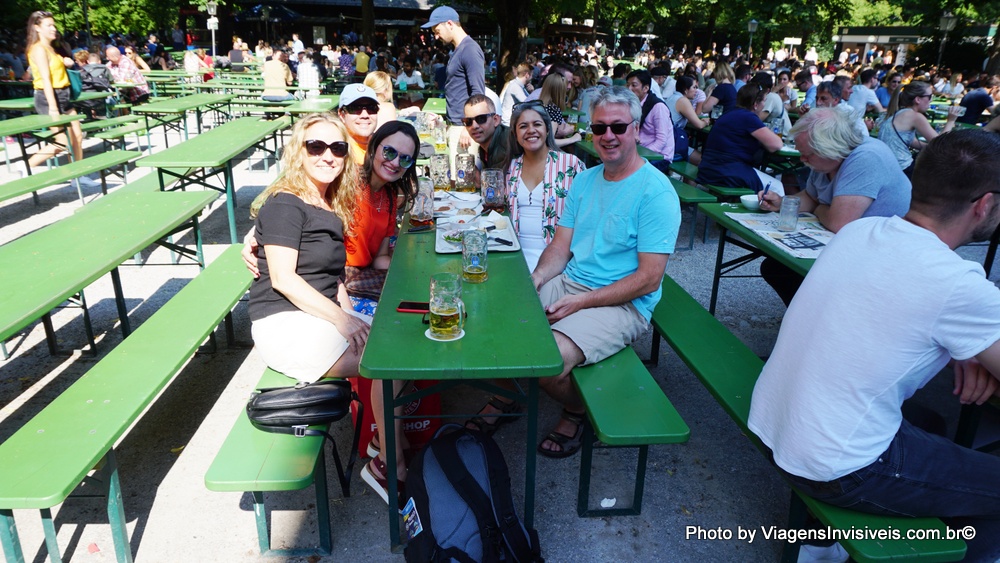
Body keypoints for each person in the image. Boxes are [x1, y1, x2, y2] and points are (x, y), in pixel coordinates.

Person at [749, 129, 1000, 563]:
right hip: (835, 467)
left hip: (775, 424)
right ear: (984, 204)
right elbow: (946, 303)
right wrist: (975, 346)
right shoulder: (958, 285)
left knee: (930, 425)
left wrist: (970, 346)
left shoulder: (860, 231)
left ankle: (819, 549)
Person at [467, 87, 680, 458]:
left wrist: (581, 302)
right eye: (599, 128)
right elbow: (560, 247)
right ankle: (505, 398)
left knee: (547, 361)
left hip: (624, 303)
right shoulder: (585, 180)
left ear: (636, 128)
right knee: (499, 323)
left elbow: (649, 278)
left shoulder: (656, 192)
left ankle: (577, 411)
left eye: (617, 127)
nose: (608, 136)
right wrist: (535, 279)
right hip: (571, 283)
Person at [759, 108, 910, 305]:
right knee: (776, 266)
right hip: (856, 242)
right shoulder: (826, 161)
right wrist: (782, 203)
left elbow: (839, 222)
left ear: (830, 148)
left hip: (883, 253)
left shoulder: (867, 157)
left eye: (808, 155)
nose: (803, 160)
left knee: (782, 269)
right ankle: (813, 316)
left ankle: (820, 318)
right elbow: (811, 197)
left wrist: (818, 208)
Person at [503, 101, 586, 270]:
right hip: (513, 254)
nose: (531, 130)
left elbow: (589, 213)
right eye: (523, 126)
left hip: (559, 258)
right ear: (515, 134)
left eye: (537, 124)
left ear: (548, 129)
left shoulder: (570, 164)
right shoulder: (509, 168)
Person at [23, 11, 93, 184]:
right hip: (48, 98)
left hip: (63, 94)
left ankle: (78, 175)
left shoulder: (50, 48)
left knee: (77, 136)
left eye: (54, 25)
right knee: (61, 142)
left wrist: (64, 61)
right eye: (49, 25)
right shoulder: (38, 49)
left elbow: (54, 68)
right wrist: (53, 108)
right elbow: (46, 79)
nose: (54, 28)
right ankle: (27, 167)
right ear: (37, 28)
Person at [421, 6, 485, 169]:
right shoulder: (460, 49)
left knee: (462, 183)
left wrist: (469, 126)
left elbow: (478, 92)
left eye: (437, 30)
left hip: (464, 129)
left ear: (450, 23)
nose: (436, 36)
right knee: (456, 182)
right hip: (456, 125)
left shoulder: (469, 49)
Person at [696, 84, 785, 194]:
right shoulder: (748, 117)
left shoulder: (728, 113)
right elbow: (776, 145)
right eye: (763, 101)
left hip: (708, 169)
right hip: (727, 171)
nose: (764, 105)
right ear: (755, 104)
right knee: (777, 187)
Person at [878, 80, 959, 176]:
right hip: (902, 168)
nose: (931, 100)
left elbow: (911, 141)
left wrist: (929, 147)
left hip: (886, 165)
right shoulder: (915, 116)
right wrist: (950, 121)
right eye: (929, 97)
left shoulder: (900, 113)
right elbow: (940, 143)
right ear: (917, 99)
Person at [625, 69, 673, 165]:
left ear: (645, 88)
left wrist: (641, 155)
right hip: (640, 151)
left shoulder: (658, 107)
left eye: (634, 85)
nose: (629, 89)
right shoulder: (633, 104)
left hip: (659, 156)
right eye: (628, 85)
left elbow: (661, 140)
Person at [462, 94, 512, 173]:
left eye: (481, 119)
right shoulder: (484, 147)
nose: (474, 126)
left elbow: (501, 183)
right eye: (468, 121)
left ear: (496, 120)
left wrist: (480, 181)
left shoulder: (508, 142)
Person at [537, 73, 579, 145]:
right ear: (560, 92)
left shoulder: (538, 105)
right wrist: (574, 139)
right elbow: (549, 142)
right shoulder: (553, 110)